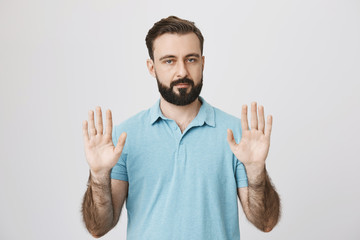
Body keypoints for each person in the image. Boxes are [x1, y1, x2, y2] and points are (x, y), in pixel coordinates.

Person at [81, 16, 280, 239]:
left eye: (191, 59)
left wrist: (255, 171)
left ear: (203, 63)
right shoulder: (122, 138)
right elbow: (97, 228)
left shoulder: (236, 135)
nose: (182, 72)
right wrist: (98, 175)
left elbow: (266, 222)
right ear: (151, 67)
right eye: (169, 61)